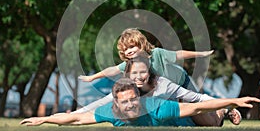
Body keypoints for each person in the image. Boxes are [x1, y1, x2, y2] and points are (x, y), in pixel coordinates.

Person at [20, 78, 260, 127]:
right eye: (124, 102)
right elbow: (75, 118)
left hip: (189, 119)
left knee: (212, 122)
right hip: (182, 112)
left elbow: (197, 106)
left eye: (133, 99)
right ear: (116, 103)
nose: (130, 105)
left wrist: (234, 101)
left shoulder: (156, 106)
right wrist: (45, 119)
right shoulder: (110, 112)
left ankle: (225, 112)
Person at [74, 56, 241, 126]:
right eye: (134, 73)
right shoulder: (126, 90)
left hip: (185, 113)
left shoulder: (163, 84)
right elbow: (101, 103)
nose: (139, 77)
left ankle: (223, 111)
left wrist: (229, 103)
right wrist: (77, 113)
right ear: (128, 75)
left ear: (149, 72)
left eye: (143, 72)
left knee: (210, 122)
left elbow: (197, 98)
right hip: (170, 122)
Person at [78, 28, 214, 90]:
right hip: (166, 89)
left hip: (181, 80)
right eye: (125, 49)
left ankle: (224, 110)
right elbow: (112, 70)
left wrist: (200, 54)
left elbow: (179, 54)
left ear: (141, 44)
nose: (129, 51)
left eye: (132, 46)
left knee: (198, 102)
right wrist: (92, 77)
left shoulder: (157, 53)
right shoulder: (130, 64)